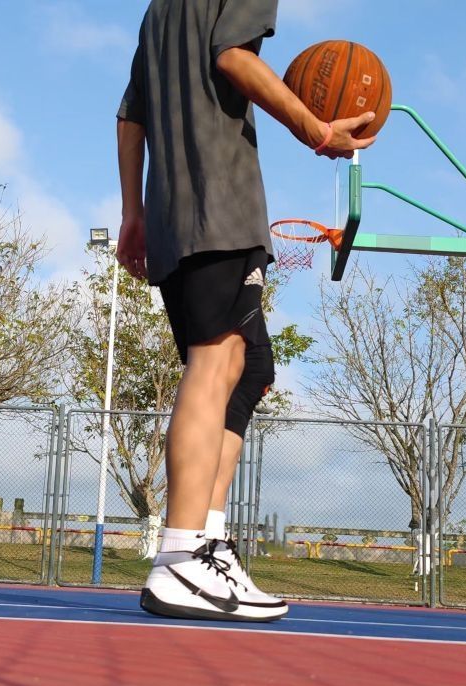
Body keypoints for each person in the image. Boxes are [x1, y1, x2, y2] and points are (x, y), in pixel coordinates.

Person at [115, 0, 377, 622]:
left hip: (176, 213)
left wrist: (133, 212)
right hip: (219, 205)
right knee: (217, 359)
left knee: (250, 366)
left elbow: (131, 115)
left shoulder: (159, 10)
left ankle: (208, 547)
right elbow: (233, 57)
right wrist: (316, 129)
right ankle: (181, 555)